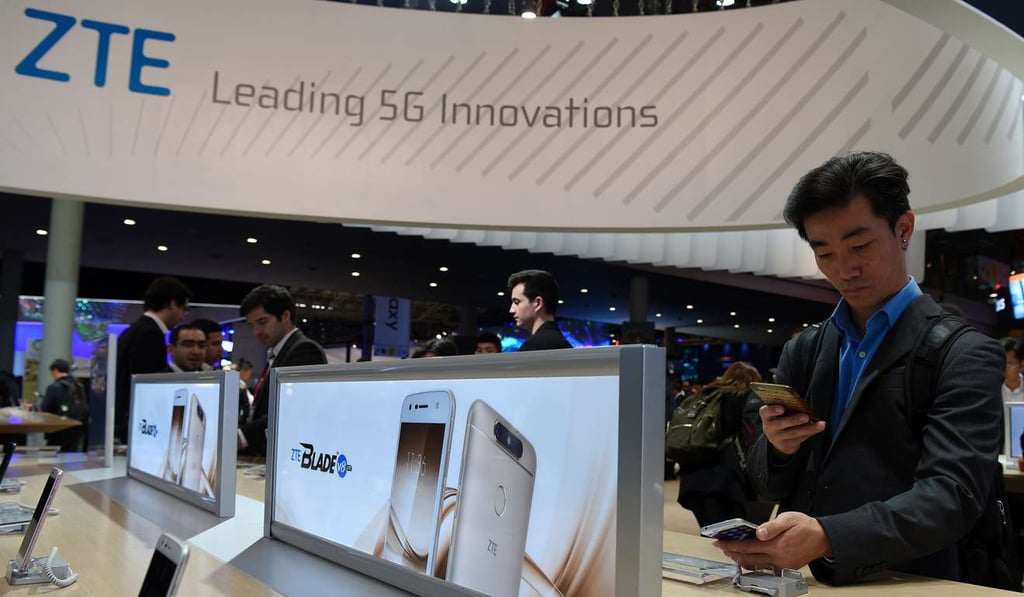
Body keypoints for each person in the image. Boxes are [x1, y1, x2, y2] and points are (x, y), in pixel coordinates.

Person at [716, 152, 1003, 586]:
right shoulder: (806, 349)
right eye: (825, 252)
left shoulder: (962, 353)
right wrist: (779, 448)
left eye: (860, 246)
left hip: (911, 581)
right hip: (801, 581)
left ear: (903, 229)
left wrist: (830, 536)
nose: (843, 269)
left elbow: (952, 496)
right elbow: (766, 485)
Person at [238, 285, 327, 455]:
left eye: (262, 322)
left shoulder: (305, 350)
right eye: (251, 325)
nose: (256, 332)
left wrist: (241, 437)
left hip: (290, 456)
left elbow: (290, 411)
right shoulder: (278, 353)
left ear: (285, 316)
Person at [677, 362, 768, 527]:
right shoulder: (746, 398)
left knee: (713, 534)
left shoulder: (706, 395)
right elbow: (752, 438)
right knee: (732, 540)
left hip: (693, 478)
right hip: (724, 481)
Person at [115, 276, 192, 443]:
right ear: (171, 303)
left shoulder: (134, 330)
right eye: (184, 309)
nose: (183, 316)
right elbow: (147, 392)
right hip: (138, 428)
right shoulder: (150, 333)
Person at [507, 269, 572, 352]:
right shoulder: (560, 341)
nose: (511, 310)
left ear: (538, 303)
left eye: (517, 302)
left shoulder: (535, 346)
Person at [38, 359, 88, 451]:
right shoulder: (78, 385)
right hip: (76, 427)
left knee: (51, 455)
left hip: (58, 428)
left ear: (55, 370)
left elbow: (44, 408)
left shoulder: (54, 387)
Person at [1000, 337, 1023, 403]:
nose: (1003, 368)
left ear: (1022, 365)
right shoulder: (990, 390)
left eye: (1009, 364)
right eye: (1000, 363)